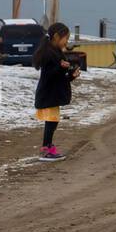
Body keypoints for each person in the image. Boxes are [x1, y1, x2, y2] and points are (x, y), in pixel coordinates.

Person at [32, 22, 79, 161]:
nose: (67, 41)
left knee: (53, 121)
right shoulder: (49, 54)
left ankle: (49, 147)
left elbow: (59, 77)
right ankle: (46, 150)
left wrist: (71, 75)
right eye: (66, 38)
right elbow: (49, 75)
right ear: (57, 37)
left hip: (53, 94)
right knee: (51, 121)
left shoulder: (57, 52)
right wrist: (62, 68)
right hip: (48, 94)